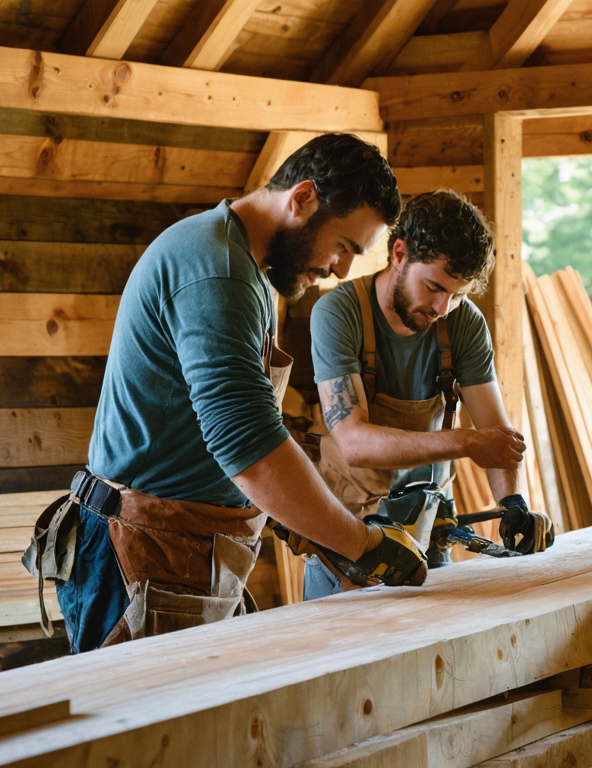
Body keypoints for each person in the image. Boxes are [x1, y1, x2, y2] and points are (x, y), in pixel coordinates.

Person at [25, 134, 429, 654]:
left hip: (184, 550)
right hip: (140, 556)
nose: (341, 269)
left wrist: (311, 525)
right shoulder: (215, 267)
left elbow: (228, 430)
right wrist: (360, 543)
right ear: (302, 198)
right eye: (345, 246)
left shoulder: (249, 271)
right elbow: (247, 444)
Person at [301, 189, 554, 600]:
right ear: (399, 252)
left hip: (428, 536)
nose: (442, 306)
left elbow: (495, 435)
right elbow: (354, 443)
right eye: (434, 287)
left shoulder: (462, 322)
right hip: (349, 543)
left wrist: (512, 502)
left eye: (457, 295)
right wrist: (466, 442)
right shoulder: (339, 314)